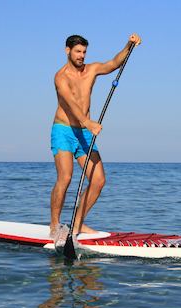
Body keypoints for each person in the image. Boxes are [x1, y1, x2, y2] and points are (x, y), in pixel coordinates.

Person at [50, 33, 142, 238]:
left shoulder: (91, 70)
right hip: (64, 131)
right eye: (77, 51)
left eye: (84, 52)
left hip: (84, 132)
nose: (81, 55)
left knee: (99, 180)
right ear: (67, 51)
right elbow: (70, 104)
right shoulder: (60, 76)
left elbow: (113, 63)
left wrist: (129, 45)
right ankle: (54, 225)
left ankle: (78, 223)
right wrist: (87, 122)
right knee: (65, 177)